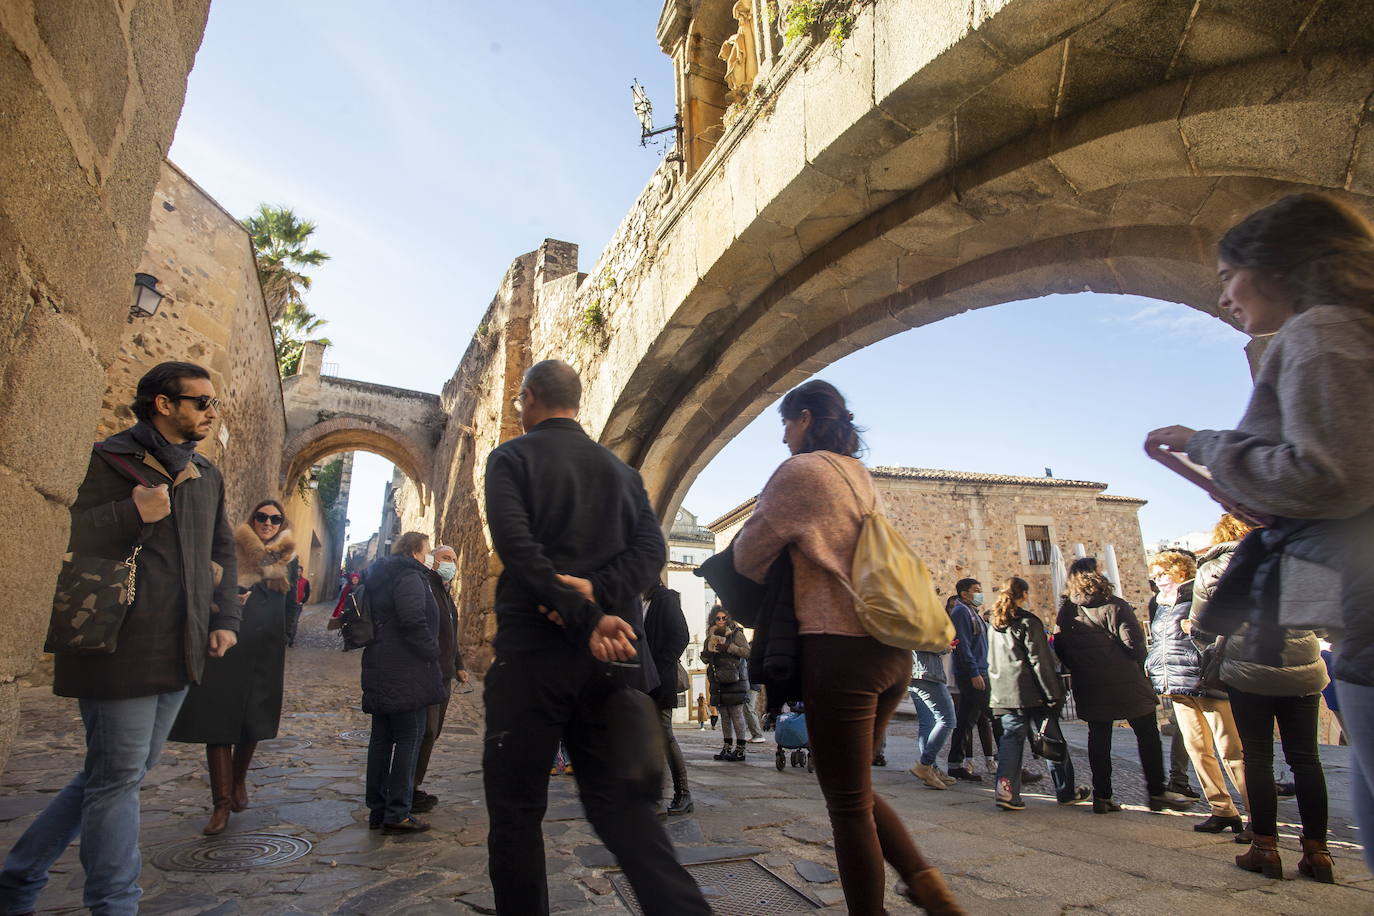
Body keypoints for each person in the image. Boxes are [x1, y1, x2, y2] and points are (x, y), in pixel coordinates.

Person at [1146, 192, 1374, 878]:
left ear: (1274, 268)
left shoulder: (1319, 332)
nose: (1223, 298)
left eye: (1226, 277)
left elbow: (1330, 475)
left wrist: (1205, 444)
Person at [0, 362, 240, 916]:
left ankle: (18, 878)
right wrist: (129, 512)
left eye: (213, 403)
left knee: (112, 774)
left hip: (182, 643)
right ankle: (115, 903)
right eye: (200, 402)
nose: (211, 412)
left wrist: (224, 619)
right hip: (119, 642)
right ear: (163, 404)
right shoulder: (108, 459)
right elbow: (62, 531)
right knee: (116, 780)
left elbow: (221, 550)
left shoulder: (206, 473)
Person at [482, 359, 709, 915]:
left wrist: (577, 606)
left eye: (519, 401)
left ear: (531, 397)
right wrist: (600, 594)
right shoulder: (622, 474)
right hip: (609, 662)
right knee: (623, 810)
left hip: (532, 660)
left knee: (516, 811)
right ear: (577, 403)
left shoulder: (510, 458)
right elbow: (651, 553)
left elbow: (518, 548)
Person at [734, 379, 962, 915]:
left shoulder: (801, 472)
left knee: (845, 804)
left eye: (787, 424)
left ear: (806, 418)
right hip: (889, 653)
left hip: (839, 649)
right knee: (855, 788)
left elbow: (746, 555)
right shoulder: (860, 476)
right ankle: (929, 889)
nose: (784, 437)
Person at [168, 499, 299, 835]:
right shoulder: (230, 549)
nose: (267, 523)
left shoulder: (288, 557)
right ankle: (221, 804)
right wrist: (221, 605)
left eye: (274, 519)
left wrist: (285, 636)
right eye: (262, 517)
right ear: (252, 519)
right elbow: (203, 592)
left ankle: (238, 780)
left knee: (254, 722)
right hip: (230, 646)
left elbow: (290, 605)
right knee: (219, 724)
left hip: (266, 651)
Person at [1054, 557, 1193, 814]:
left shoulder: (1066, 612)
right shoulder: (1114, 605)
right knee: (1147, 736)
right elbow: (1134, 644)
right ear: (1094, 575)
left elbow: (1061, 649)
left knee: (1098, 738)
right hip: (1126, 682)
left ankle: (1102, 796)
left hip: (1089, 683)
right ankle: (1156, 791)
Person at [1144, 546, 1248, 834]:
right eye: (1155, 575)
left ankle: (1257, 813)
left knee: (1230, 749)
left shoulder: (1199, 595)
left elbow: (1220, 633)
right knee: (1197, 748)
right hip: (1177, 683)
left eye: (1164, 573)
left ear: (1181, 570)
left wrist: (1198, 632)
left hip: (1206, 680)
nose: (1159, 579)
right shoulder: (1160, 604)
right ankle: (1222, 808)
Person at [362, 531, 446, 834]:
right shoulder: (410, 576)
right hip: (406, 669)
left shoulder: (383, 576)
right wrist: (431, 650)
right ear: (414, 552)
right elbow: (413, 619)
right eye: (426, 551)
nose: (427, 557)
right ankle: (398, 810)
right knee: (410, 736)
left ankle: (378, 808)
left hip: (382, 664)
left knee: (382, 739)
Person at [988, 577, 1089, 810]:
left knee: (1010, 742)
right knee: (1052, 741)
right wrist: (1053, 694)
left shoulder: (994, 624)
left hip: (1004, 693)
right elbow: (1040, 662)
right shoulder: (1027, 622)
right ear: (1023, 594)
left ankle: (1005, 790)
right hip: (1032, 692)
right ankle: (1066, 789)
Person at [411, 544, 469, 814]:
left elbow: (450, 633)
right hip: (429, 673)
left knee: (433, 733)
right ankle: (407, 788)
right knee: (424, 732)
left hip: (444, 674)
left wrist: (459, 664)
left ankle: (412, 786)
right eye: (446, 558)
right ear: (432, 560)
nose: (451, 563)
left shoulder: (445, 593)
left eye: (454, 560)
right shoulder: (426, 588)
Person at [643, 582, 693, 813]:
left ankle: (683, 794)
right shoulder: (641, 602)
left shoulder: (665, 598)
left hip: (659, 680)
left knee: (664, 735)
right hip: (642, 681)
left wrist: (659, 667)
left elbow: (681, 636)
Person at [946, 578, 994, 782]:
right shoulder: (961, 612)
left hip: (979, 670)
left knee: (965, 720)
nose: (980, 593)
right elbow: (963, 645)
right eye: (976, 590)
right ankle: (1011, 766)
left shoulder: (971, 611)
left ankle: (955, 765)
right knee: (997, 716)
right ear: (964, 593)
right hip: (973, 673)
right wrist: (974, 672)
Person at [702, 608, 751, 761]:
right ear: (713, 620)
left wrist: (729, 648)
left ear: (729, 618)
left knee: (736, 715)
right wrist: (707, 653)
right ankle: (727, 747)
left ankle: (741, 749)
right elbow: (705, 660)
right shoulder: (709, 636)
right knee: (724, 716)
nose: (721, 620)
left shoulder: (736, 634)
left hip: (735, 679)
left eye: (724, 617)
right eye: (718, 618)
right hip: (718, 680)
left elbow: (747, 652)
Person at [907, 646, 958, 790]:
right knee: (947, 720)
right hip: (926, 672)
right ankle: (925, 765)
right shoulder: (922, 622)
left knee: (927, 722)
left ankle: (931, 769)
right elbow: (922, 640)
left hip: (914, 671)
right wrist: (944, 647)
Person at [288, 575, 310, 646]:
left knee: (294, 622)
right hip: (289, 604)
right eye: (297, 571)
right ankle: (286, 637)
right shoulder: (289, 580)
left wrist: (302, 602)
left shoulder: (305, 581)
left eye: (299, 571)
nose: (298, 572)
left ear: (301, 572)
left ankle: (291, 640)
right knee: (287, 621)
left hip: (298, 605)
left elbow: (307, 593)